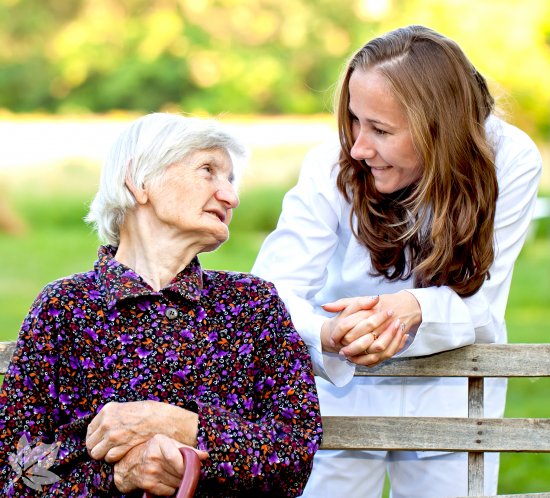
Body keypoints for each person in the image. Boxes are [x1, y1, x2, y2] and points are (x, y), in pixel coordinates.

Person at [252, 25, 542, 498]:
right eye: (353, 120)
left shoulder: (507, 160)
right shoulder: (332, 163)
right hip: (338, 392)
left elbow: (483, 299)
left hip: (453, 392)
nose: (359, 147)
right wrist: (326, 333)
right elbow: (270, 290)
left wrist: (413, 307)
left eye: (381, 130)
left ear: (439, 128)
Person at [0, 113, 323, 497]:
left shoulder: (253, 304)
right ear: (138, 181)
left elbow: (296, 452)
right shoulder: (64, 308)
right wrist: (117, 477)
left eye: (231, 180)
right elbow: (16, 475)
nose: (231, 196)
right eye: (209, 170)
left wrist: (177, 424)